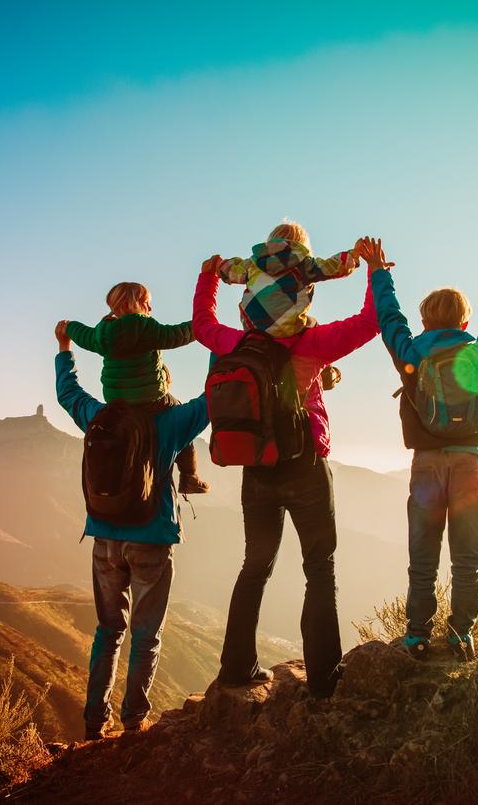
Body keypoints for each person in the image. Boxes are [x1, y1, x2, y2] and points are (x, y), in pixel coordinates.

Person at [193, 252, 379, 699]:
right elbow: (371, 321)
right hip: (305, 466)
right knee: (320, 568)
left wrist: (207, 277)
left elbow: (202, 323)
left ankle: (236, 669)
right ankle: (322, 680)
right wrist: (376, 270)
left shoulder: (234, 343)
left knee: (254, 566)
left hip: (256, 468)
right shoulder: (313, 342)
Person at [359, 237, 478, 661]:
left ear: (426, 319)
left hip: (426, 466)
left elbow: (390, 318)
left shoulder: (410, 355)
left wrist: (378, 271)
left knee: (422, 559)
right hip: (468, 463)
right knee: (467, 559)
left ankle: (416, 636)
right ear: (465, 320)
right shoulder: (477, 354)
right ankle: (461, 635)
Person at [53, 320, 210, 739]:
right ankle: (134, 721)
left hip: (104, 539)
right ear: (155, 370)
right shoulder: (169, 422)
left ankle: (93, 722)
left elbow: (68, 393)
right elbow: (210, 401)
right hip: (152, 541)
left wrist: (65, 349)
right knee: (146, 635)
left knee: (107, 632)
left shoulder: (97, 417)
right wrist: (219, 344)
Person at [62, 281, 210, 494]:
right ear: (135, 304)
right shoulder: (146, 327)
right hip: (152, 400)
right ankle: (190, 476)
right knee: (180, 418)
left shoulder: (102, 334)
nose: (150, 308)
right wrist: (203, 324)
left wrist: (68, 327)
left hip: (117, 403)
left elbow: (83, 336)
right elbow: (177, 334)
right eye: (147, 303)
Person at [216, 220, 363, 338]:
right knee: (313, 324)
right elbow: (331, 267)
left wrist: (219, 264)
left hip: (253, 326)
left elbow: (231, 271)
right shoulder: (304, 264)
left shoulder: (252, 263)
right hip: (289, 329)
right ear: (301, 245)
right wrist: (353, 255)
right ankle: (326, 370)